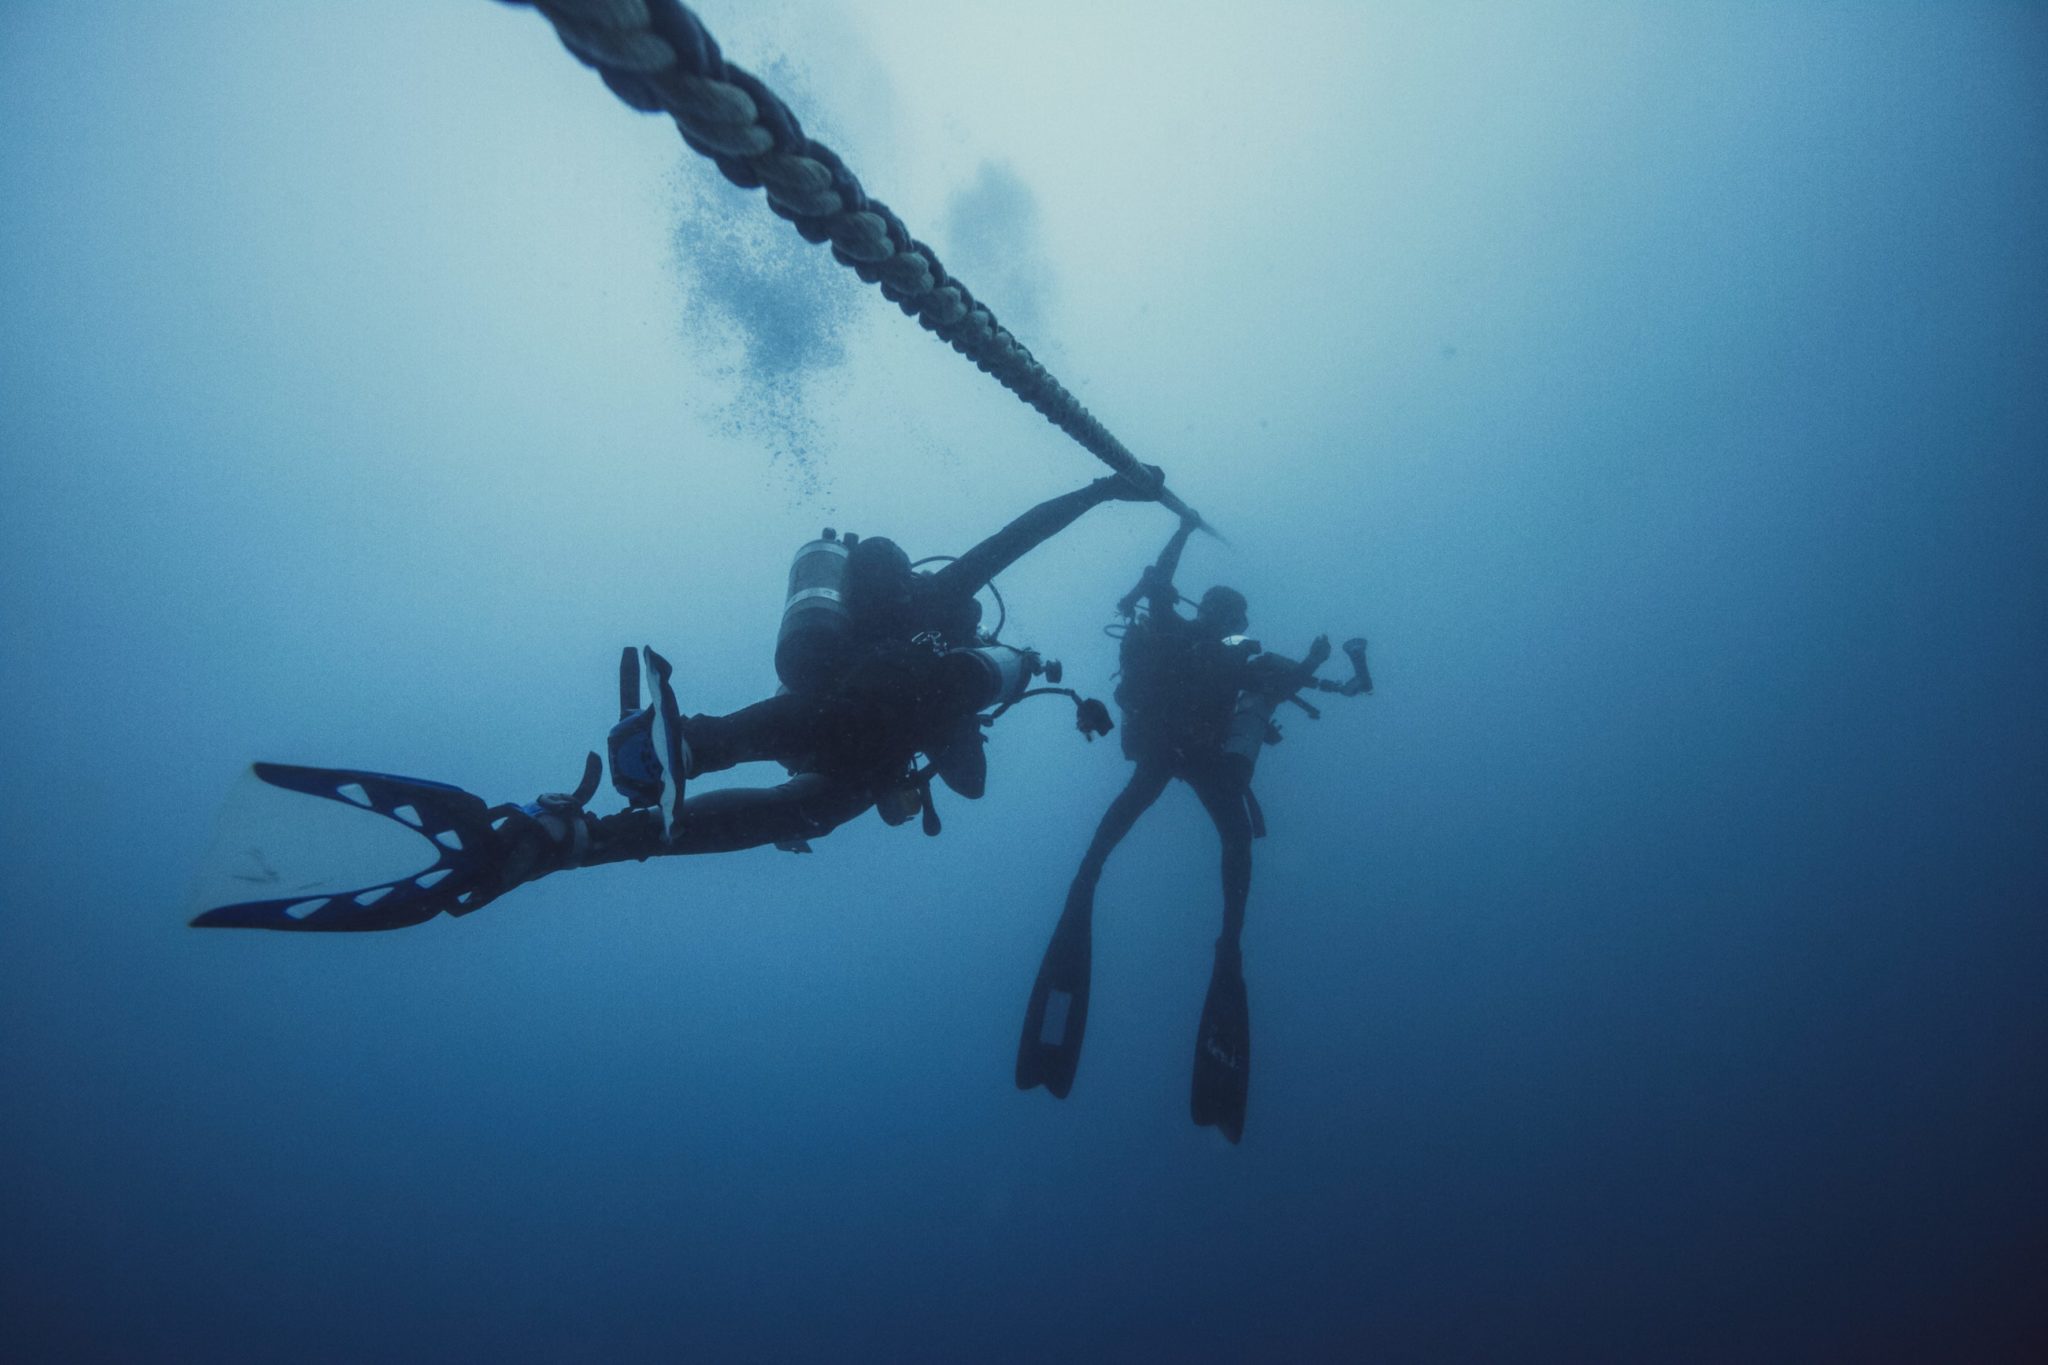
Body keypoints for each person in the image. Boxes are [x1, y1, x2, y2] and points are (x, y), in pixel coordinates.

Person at [191, 468, 1167, 933]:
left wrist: (1097, 491)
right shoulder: (947, 622)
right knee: (801, 799)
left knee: (806, 769)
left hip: (828, 721)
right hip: (855, 740)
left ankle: (604, 812)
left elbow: (1018, 538)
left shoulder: (899, 625)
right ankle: (631, 805)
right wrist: (1100, 491)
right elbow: (1023, 540)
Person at [1015, 513, 1358, 1144]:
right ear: (1226, 616)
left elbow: (1159, 581)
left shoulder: (1188, 634)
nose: (1232, 625)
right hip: (1186, 757)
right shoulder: (1211, 646)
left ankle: (1093, 896)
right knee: (1227, 843)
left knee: (1133, 840)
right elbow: (1166, 584)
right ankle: (1225, 940)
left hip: (1169, 755)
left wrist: (1183, 530)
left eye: (1233, 619)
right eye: (1232, 617)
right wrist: (1182, 532)